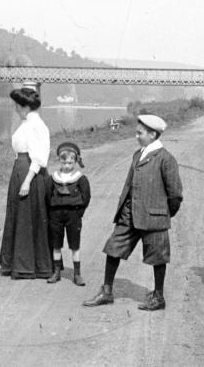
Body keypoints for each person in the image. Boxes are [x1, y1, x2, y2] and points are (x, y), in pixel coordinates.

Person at [84, 114, 183, 311]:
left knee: (158, 257)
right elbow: (129, 185)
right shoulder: (137, 155)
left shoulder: (166, 159)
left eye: (140, 133)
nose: (136, 136)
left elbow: (175, 195)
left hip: (154, 217)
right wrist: (125, 210)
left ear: (153, 134)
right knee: (113, 248)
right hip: (129, 215)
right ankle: (107, 292)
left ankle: (159, 297)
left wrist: (162, 214)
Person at [0, 86, 52, 279]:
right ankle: (18, 263)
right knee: (20, 216)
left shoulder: (37, 125)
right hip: (20, 170)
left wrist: (27, 181)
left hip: (31, 174)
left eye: (17, 105)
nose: (15, 109)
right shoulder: (26, 123)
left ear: (25, 106)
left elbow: (39, 157)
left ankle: (32, 265)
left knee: (29, 218)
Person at [46, 141, 91, 286]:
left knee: (74, 244)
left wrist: (79, 213)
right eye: (64, 162)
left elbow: (86, 197)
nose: (67, 166)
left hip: (73, 215)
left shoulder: (80, 178)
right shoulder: (53, 178)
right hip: (56, 215)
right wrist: (52, 212)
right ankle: (57, 271)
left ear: (75, 162)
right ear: (59, 160)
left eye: (71, 163)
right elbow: (47, 196)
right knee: (56, 243)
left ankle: (77, 274)